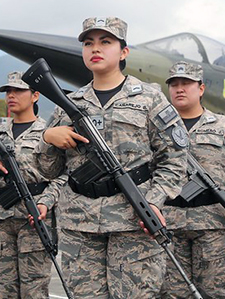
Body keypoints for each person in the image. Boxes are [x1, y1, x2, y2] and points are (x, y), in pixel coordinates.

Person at [37, 17, 188, 298]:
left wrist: (154, 200)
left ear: (124, 52)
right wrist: (48, 139)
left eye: (106, 42)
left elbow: (175, 158)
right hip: (78, 222)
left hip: (133, 219)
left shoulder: (149, 98)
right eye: (88, 43)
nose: (96, 48)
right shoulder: (67, 104)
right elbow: (49, 170)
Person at [160, 62, 225, 299]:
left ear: (201, 88)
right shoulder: (157, 127)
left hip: (213, 225)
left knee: (211, 293)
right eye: (174, 84)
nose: (180, 89)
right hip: (169, 223)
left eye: (186, 83)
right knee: (171, 294)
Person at [0, 71, 56, 298]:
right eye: (8, 91)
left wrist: (46, 202)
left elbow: (63, 176)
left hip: (35, 219)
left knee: (34, 291)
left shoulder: (47, 133)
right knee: (2, 289)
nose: (11, 95)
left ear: (35, 96)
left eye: (18, 90)